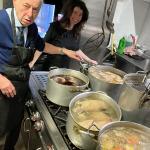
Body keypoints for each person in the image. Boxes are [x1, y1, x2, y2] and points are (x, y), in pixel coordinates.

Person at [0, 0, 88, 149]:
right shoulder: (2, 21)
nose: (30, 14)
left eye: (35, 9)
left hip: (20, 90)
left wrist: (64, 51)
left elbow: (42, 45)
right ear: (15, 1)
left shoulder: (31, 27)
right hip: (2, 94)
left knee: (13, 132)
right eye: (26, 6)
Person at [41, 0, 97, 70]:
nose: (77, 17)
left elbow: (76, 50)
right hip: (50, 68)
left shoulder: (76, 32)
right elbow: (42, 45)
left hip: (64, 69)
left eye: (80, 15)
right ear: (69, 12)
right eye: (75, 12)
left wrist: (89, 60)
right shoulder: (55, 27)